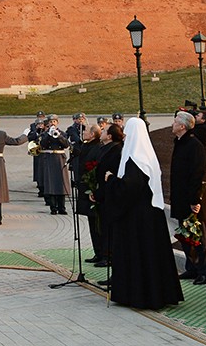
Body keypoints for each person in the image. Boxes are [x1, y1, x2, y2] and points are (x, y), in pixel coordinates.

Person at [98, 118, 184, 310]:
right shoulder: (145, 157)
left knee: (141, 255)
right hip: (147, 215)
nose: (126, 137)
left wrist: (111, 179)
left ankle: (142, 295)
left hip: (138, 217)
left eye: (127, 133)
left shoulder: (137, 159)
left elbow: (129, 188)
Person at [170, 111, 206, 284]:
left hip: (193, 200)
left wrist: (196, 200)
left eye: (175, 121)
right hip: (181, 198)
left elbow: (197, 173)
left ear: (182, 126)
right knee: (185, 235)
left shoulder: (194, 145)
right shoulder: (180, 143)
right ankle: (191, 267)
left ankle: (203, 271)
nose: (172, 124)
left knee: (198, 235)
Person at [90, 123, 124, 268]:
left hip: (110, 194)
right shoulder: (104, 148)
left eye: (104, 131)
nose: (101, 132)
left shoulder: (116, 150)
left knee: (108, 227)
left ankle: (108, 256)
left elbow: (109, 173)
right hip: (102, 193)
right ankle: (103, 253)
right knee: (102, 225)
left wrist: (99, 193)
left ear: (109, 136)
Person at [72, 123, 104, 261]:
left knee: (99, 224)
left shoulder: (98, 148)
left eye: (85, 131)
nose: (83, 133)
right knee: (92, 223)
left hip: (93, 191)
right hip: (84, 189)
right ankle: (97, 252)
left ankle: (104, 254)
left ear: (92, 134)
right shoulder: (84, 146)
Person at [38, 114, 71, 214]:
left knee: (61, 183)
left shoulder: (62, 133)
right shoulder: (44, 134)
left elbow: (66, 145)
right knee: (50, 183)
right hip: (49, 158)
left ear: (57, 122)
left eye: (54, 121)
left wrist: (58, 136)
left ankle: (62, 207)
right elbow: (42, 144)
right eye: (51, 122)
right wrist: (49, 135)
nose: (52, 123)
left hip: (60, 159)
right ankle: (53, 207)